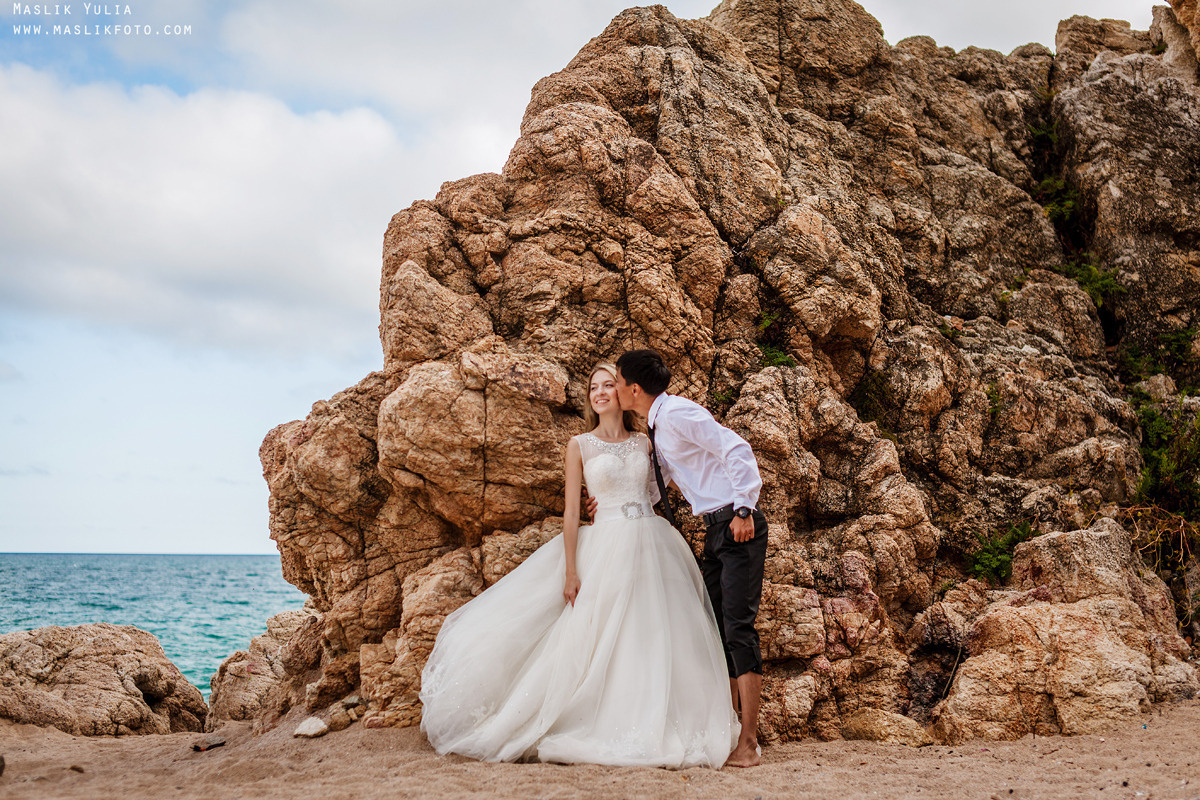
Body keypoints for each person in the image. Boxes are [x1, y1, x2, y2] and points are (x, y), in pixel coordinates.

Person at [419, 362, 738, 768]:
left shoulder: (646, 443)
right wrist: (571, 570)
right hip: (603, 544)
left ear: (624, 393)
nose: (601, 392)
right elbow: (571, 513)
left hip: (653, 543)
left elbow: (662, 487)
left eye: (609, 385)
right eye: (594, 387)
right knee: (600, 634)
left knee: (654, 631)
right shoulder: (579, 445)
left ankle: (658, 713)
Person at [613, 349, 767, 768]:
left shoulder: (678, 414)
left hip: (737, 525)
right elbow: (661, 484)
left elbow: (735, 447)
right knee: (715, 628)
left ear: (634, 388)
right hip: (715, 531)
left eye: (617, 379)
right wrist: (617, 504)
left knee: (737, 629)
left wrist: (743, 509)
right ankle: (732, 731)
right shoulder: (659, 425)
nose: (614, 387)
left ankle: (750, 744)